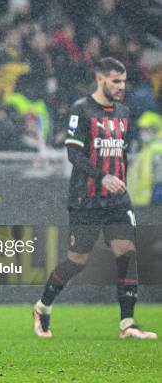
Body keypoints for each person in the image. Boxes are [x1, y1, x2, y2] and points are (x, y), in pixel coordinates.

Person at [32, 58, 157, 339]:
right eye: (115, 81)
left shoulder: (124, 112)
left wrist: (120, 182)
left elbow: (120, 153)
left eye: (123, 81)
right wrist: (102, 177)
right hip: (86, 199)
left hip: (117, 201)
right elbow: (73, 154)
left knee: (126, 252)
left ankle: (127, 323)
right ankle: (42, 307)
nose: (121, 86)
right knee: (77, 261)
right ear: (100, 79)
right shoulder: (81, 110)